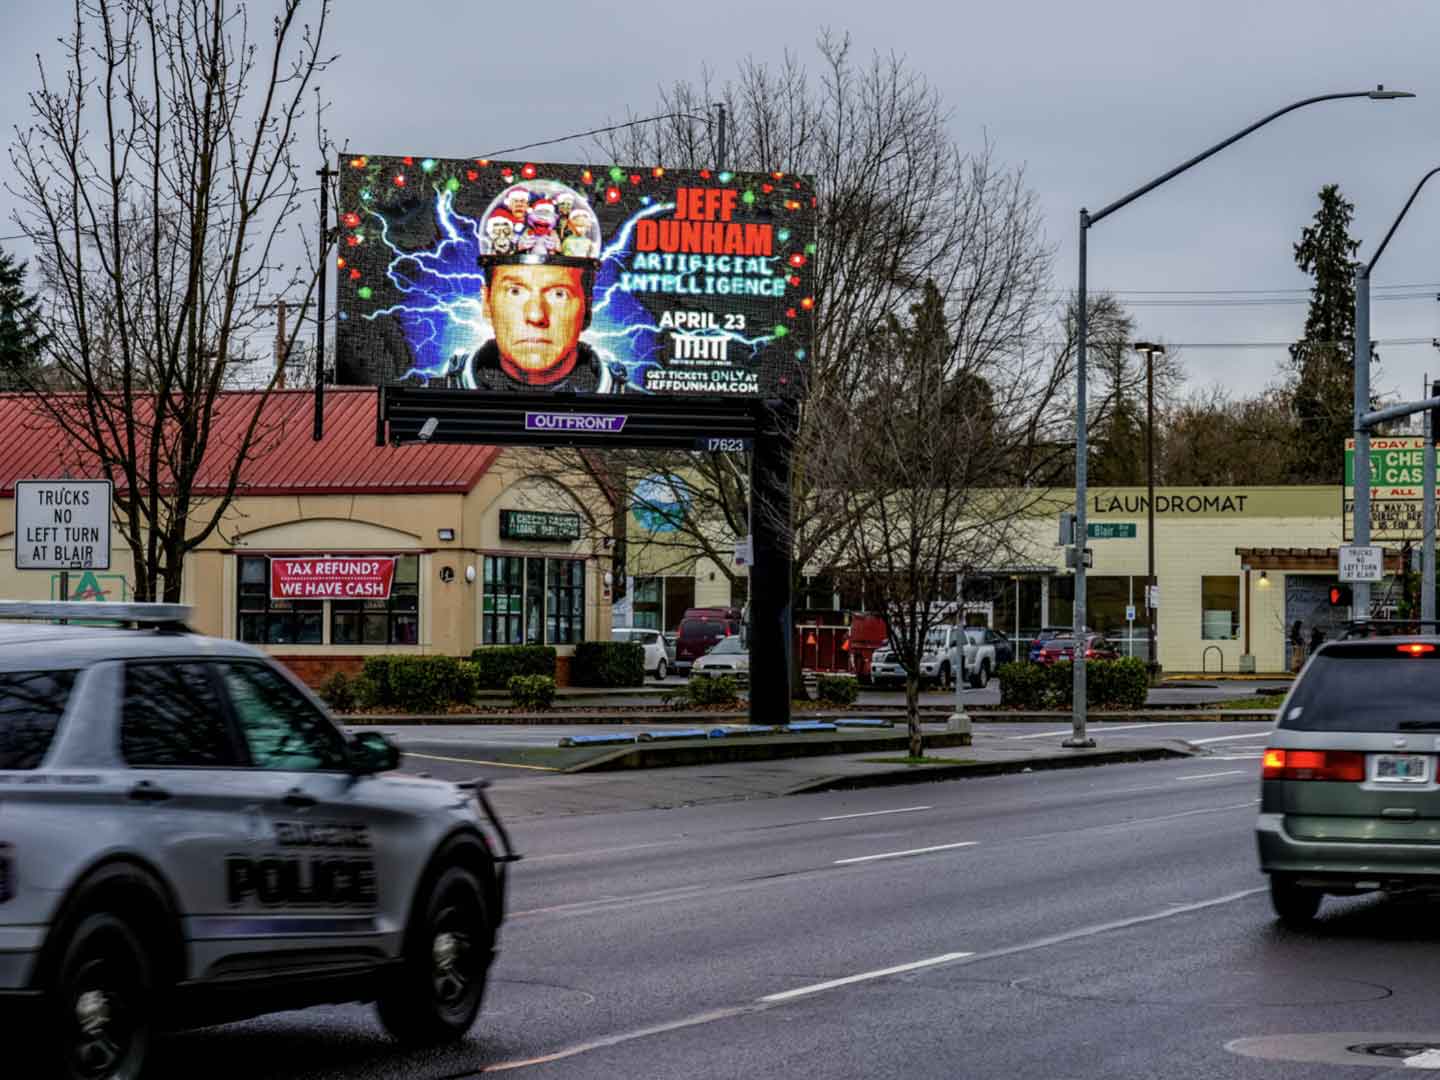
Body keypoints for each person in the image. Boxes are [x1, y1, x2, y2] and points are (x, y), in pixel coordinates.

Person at [464, 179, 616, 393]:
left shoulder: (631, 400)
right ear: (487, 303)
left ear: (587, 308)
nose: (536, 316)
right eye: (515, 291)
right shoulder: (437, 394)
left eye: (559, 294)